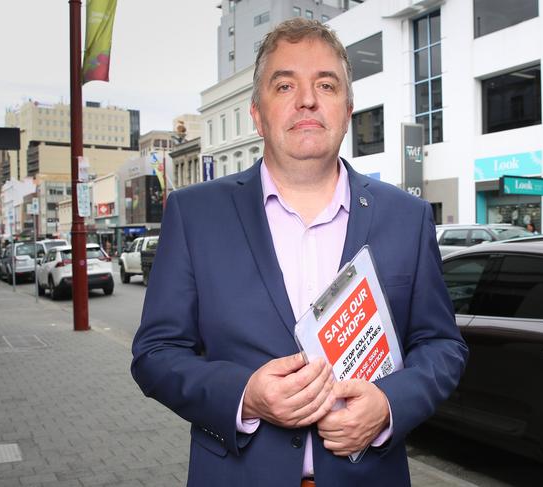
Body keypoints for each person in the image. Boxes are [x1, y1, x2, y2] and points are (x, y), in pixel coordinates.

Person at [131, 18, 468, 487]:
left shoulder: (407, 218)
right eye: (285, 84)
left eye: (325, 84)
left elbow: (442, 346)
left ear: (348, 110)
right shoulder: (194, 214)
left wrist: (390, 405)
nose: (307, 99)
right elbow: (155, 353)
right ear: (256, 113)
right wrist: (244, 396)